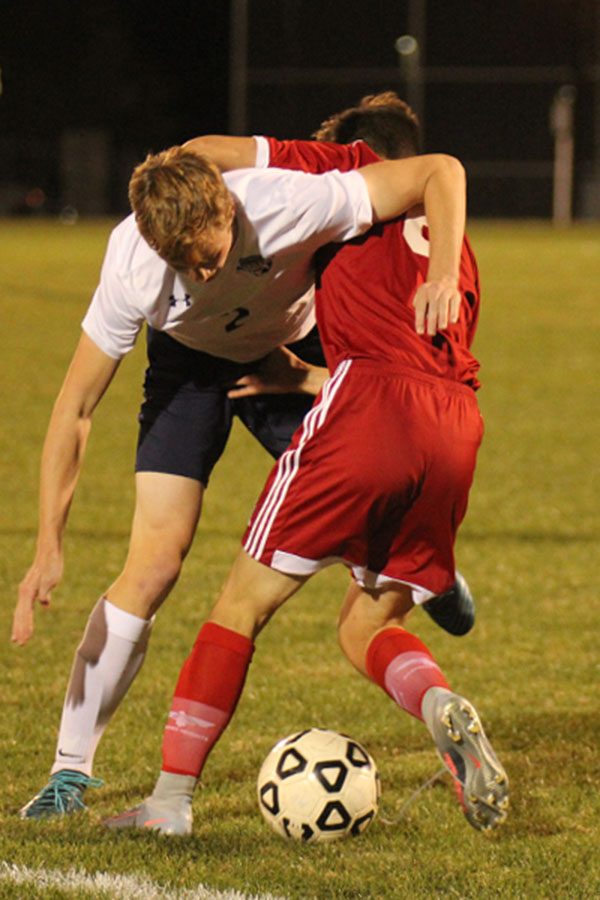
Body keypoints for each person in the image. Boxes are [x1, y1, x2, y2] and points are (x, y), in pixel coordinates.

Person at [14, 113, 471, 821]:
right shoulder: (132, 262)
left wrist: (442, 273)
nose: (201, 273)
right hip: (189, 375)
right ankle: (69, 772)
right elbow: (74, 408)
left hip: (285, 362)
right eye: (185, 266)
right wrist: (48, 545)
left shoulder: (284, 199)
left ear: (230, 204)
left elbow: (435, 171)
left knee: (368, 482)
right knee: (155, 563)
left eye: (210, 254)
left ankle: (419, 567)